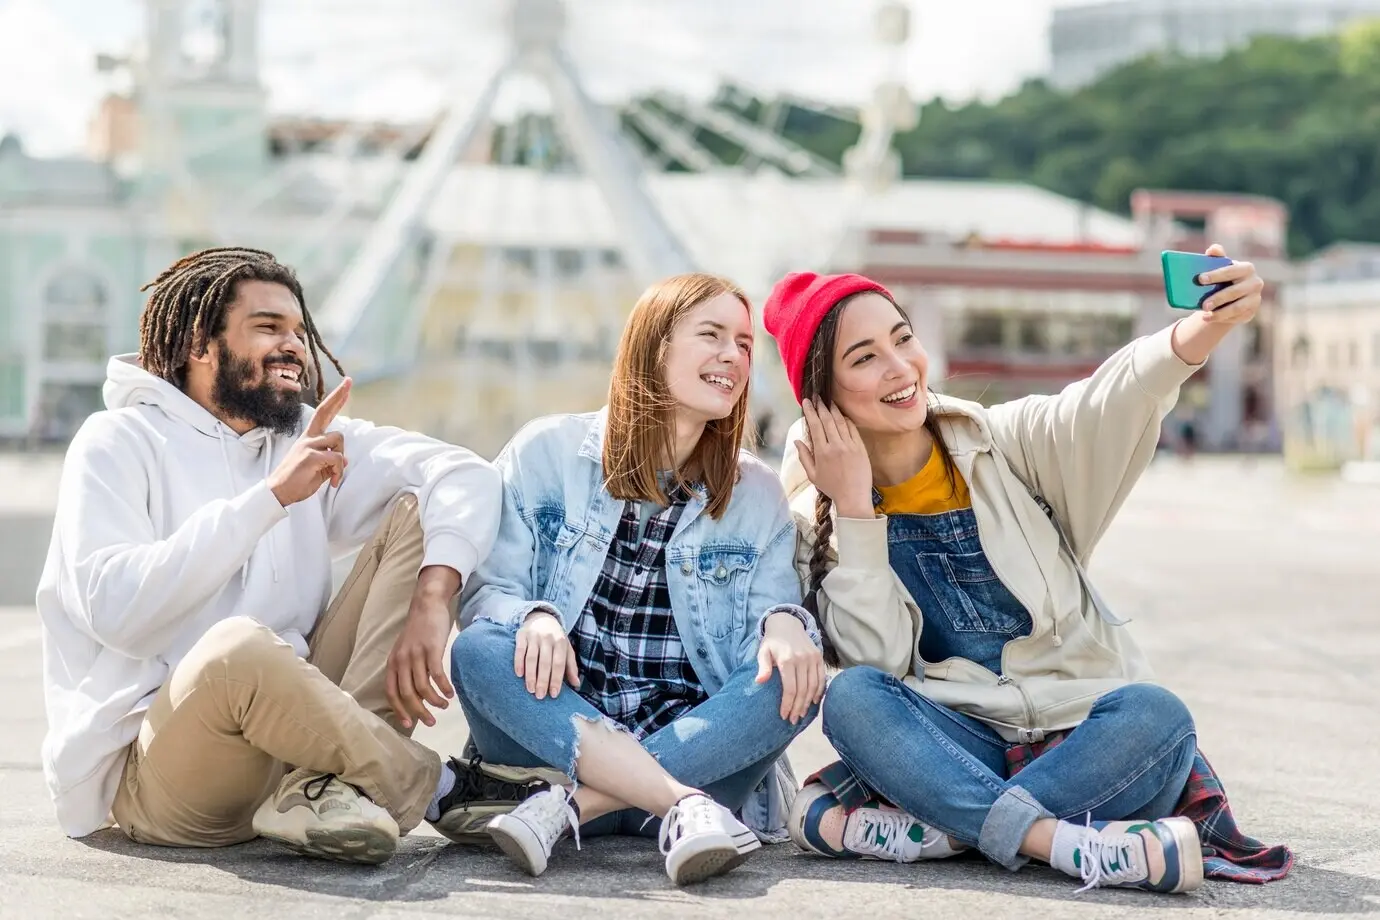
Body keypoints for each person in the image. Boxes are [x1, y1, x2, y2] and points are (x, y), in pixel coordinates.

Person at [761, 246, 1265, 894]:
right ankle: (1061, 843)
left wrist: (1206, 327)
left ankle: (943, 830)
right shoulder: (815, 520)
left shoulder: (1007, 441)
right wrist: (858, 512)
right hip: (954, 739)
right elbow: (880, 664)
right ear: (822, 402)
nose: (900, 368)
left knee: (1159, 718)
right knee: (853, 702)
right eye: (864, 359)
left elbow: (1110, 399)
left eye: (903, 339)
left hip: (1082, 731)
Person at [36, 247, 553, 866]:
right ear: (201, 345)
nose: (295, 346)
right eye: (268, 328)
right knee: (238, 650)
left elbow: (464, 473)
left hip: (293, 747)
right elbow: (117, 612)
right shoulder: (118, 441)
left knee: (417, 511)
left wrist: (435, 598)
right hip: (166, 774)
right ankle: (439, 788)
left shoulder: (297, 436)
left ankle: (336, 788)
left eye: (299, 331)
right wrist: (272, 498)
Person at [451, 272, 825, 886]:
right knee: (477, 649)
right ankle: (673, 799)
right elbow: (486, 594)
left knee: (796, 674)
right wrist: (533, 617)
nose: (732, 355)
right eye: (711, 335)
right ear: (654, 346)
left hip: (696, 754)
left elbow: (763, 641)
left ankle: (580, 807)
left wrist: (783, 624)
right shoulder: (546, 452)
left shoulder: (756, 495)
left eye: (743, 343)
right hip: (555, 745)